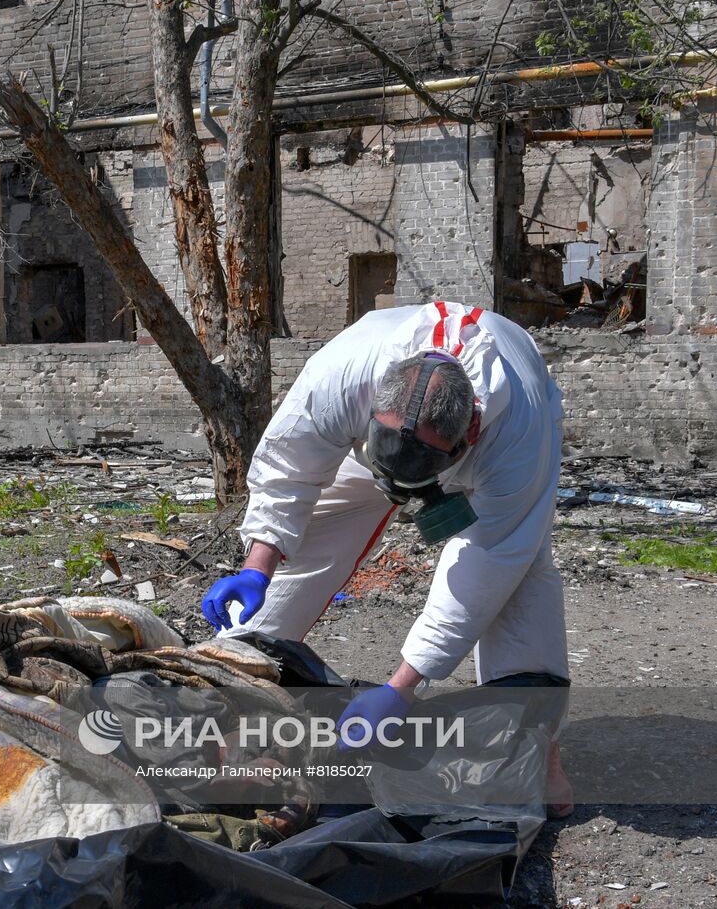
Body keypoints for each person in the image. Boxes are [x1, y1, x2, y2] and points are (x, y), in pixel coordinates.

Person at [200, 300, 573, 816]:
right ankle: (235, 702)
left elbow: (483, 569)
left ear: (471, 430)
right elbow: (290, 468)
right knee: (302, 547)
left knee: (518, 578)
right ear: (375, 406)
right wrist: (255, 566)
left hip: (488, 459)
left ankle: (537, 755)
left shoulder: (517, 435)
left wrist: (401, 688)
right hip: (369, 452)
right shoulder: (346, 372)